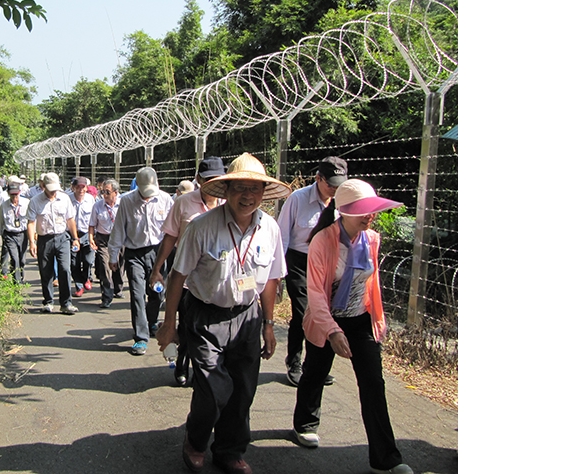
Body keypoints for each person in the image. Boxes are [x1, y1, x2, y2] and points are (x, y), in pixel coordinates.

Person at [155, 152, 289, 474]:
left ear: (263, 193)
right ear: (226, 191)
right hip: (205, 316)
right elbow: (178, 275)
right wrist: (169, 323)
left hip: (248, 317)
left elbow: (271, 278)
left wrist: (269, 325)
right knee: (213, 388)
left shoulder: (269, 228)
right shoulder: (202, 227)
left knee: (243, 389)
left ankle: (229, 450)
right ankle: (196, 441)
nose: (248, 196)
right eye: (240, 188)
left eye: (254, 189)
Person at [291, 179, 412, 474]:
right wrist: (332, 331)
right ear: (344, 211)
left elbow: (372, 283)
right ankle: (304, 423)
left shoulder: (372, 239)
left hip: (361, 320)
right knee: (315, 372)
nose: (369, 215)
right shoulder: (322, 241)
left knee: (373, 384)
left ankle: (387, 458)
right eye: (362, 210)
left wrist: (377, 319)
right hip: (326, 320)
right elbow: (316, 294)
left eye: (371, 209)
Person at [149, 156, 226, 386]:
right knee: (186, 323)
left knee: (208, 326)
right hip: (185, 277)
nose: (213, 184)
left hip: (216, 277)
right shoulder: (184, 203)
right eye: (208, 179)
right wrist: (157, 269)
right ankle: (182, 364)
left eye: (217, 179)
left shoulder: (229, 203)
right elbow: (170, 236)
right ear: (198, 180)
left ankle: (208, 368)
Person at [277, 156, 348, 387]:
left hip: (327, 263)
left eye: (339, 185)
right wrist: (279, 272)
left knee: (325, 314)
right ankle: (294, 361)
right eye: (331, 185)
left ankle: (315, 366)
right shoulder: (297, 199)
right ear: (318, 178)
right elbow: (283, 234)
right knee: (303, 312)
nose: (335, 190)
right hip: (299, 262)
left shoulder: (343, 202)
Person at [109, 166, 174, 355]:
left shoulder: (165, 199)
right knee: (137, 295)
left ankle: (152, 321)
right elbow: (119, 230)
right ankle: (140, 338)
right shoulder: (127, 201)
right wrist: (114, 256)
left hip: (159, 253)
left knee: (157, 293)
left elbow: (172, 229)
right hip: (134, 254)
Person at [26, 172, 81, 315]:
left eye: (55, 189)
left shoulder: (64, 199)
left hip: (62, 237)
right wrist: (32, 242)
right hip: (44, 239)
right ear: (43, 186)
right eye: (50, 189)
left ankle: (66, 303)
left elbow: (70, 219)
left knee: (65, 269)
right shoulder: (35, 201)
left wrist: (75, 238)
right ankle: (48, 302)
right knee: (46, 271)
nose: (53, 192)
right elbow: (31, 223)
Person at [89, 178, 125, 308]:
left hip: (120, 238)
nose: (104, 194)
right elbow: (92, 224)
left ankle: (118, 287)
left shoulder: (123, 204)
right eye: (102, 191)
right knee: (105, 267)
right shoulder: (97, 206)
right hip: (103, 239)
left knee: (119, 265)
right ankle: (106, 296)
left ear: (115, 192)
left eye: (107, 192)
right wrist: (91, 238)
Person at [0, 179, 30, 283]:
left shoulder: (26, 203)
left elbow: (32, 220)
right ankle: (17, 282)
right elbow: (1, 221)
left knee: (22, 260)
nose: (14, 198)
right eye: (12, 195)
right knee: (15, 259)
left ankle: (19, 275)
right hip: (9, 235)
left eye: (16, 195)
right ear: (8, 194)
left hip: (23, 234)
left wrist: (34, 235)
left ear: (19, 193)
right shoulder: (4, 206)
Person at [69, 177, 97, 297]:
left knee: (88, 259)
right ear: (74, 188)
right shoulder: (68, 199)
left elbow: (95, 217)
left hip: (87, 233)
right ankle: (79, 286)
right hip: (72, 234)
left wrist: (93, 235)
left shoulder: (90, 199)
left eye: (83, 187)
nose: (81, 190)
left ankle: (86, 278)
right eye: (78, 187)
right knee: (74, 262)